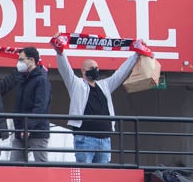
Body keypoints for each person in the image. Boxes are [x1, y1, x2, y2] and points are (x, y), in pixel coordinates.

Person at [52, 34, 141, 164]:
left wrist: (136, 55)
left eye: (97, 68)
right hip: (85, 138)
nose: (96, 70)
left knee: (102, 177)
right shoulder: (76, 84)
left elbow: (121, 73)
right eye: (92, 68)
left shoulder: (104, 85)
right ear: (83, 71)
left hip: (104, 139)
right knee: (85, 174)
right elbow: (65, 69)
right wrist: (59, 51)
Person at [11, 47, 51, 163]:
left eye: (21, 60)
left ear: (32, 60)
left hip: (37, 132)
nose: (19, 63)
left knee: (41, 166)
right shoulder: (23, 79)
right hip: (20, 132)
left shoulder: (41, 80)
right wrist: (19, 127)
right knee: (13, 166)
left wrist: (28, 127)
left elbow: (40, 107)